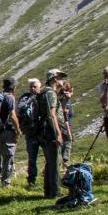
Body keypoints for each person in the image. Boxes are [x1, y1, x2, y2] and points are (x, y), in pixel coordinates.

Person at [38, 70, 64, 199]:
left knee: (49, 161)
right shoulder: (51, 94)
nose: (63, 80)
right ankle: (55, 191)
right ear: (54, 79)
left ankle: (48, 191)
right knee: (54, 161)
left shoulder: (43, 92)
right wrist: (58, 133)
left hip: (42, 131)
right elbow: (51, 114)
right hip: (49, 131)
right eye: (60, 78)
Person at [0, 78, 19, 187]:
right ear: (14, 87)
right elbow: (12, 115)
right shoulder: (10, 97)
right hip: (7, 130)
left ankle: (2, 175)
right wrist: (18, 129)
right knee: (9, 155)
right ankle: (6, 181)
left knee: (1, 153)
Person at [19, 77, 44, 188]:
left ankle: (44, 178)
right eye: (31, 87)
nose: (33, 89)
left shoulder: (26, 99)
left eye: (35, 86)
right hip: (34, 132)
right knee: (32, 158)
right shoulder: (30, 99)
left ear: (40, 87)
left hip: (36, 132)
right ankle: (32, 181)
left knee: (35, 157)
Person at [56, 79, 75, 165]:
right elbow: (65, 116)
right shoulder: (65, 100)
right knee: (68, 141)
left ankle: (62, 163)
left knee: (63, 145)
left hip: (64, 125)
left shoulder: (61, 99)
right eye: (71, 89)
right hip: (65, 125)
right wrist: (69, 131)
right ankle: (65, 162)